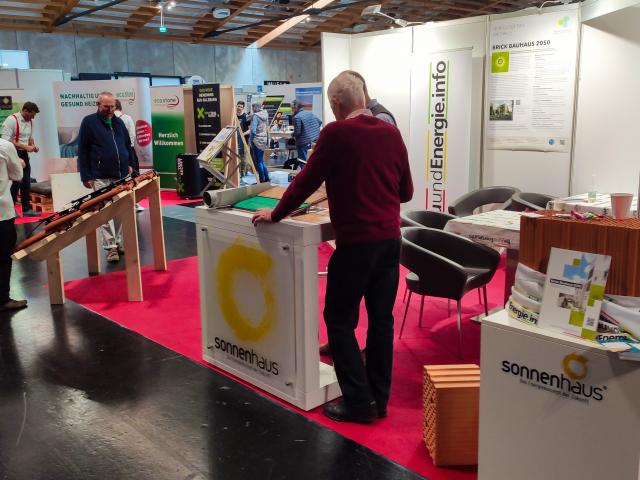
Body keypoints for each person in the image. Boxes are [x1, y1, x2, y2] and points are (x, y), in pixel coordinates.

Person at [252, 71, 413, 424]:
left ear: (337, 103)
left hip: (356, 244)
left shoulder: (336, 133)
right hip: (390, 241)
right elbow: (406, 192)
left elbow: (305, 182)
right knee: (381, 322)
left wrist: (275, 214)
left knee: (339, 320)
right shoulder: (391, 133)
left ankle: (358, 402)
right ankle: (379, 400)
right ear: (363, 97)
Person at [77, 92, 134, 264]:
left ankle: (118, 242)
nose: (109, 110)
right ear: (98, 104)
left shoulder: (119, 123)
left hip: (121, 175)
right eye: (106, 107)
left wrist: (130, 164)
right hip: (100, 176)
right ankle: (110, 248)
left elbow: (127, 146)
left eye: (112, 107)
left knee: (120, 211)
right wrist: (85, 175)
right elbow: (82, 150)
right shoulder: (89, 122)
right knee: (105, 213)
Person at [0, 138, 27, 312]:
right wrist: (20, 163)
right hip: (2, 213)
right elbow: (17, 175)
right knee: (3, 257)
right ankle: (2, 299)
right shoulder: (4, 146)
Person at [1, 101, 40, 217]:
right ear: (25, 111)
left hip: (24, 155)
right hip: (13, 153)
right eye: (32, 115)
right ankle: (11, 210)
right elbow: (5, 141)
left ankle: (26, 209)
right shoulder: (12, 120)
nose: (33, 118)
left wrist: (33, 146)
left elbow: (29, 138)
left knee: (26, 182)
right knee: (15, 182)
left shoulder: (31, 122)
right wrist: (25, 147)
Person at [114, 99, 144, 212]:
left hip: (115, 152)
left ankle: (122, 204)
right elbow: (132, 136)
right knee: (133, 176)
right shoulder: (127, 118)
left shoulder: (107, 120)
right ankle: (135, 203)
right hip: (128, 151)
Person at [286, 99, 321, 170]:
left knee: (303, 162)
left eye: (292, 107)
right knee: (313, 161)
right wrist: (310, 131)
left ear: (296, 107)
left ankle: (306, 176)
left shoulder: (296, 117)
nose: (291, 109)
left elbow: (297, 132)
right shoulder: (310, 113)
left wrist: (292, 134)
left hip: (303, 142)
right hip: (314, 141)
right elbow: (319, 122)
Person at [249, 102, 270, 183]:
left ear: (255, 107)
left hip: (257, 140)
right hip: (264, 139)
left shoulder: (256, 116)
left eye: (253, 107)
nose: (252, 109)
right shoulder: (265, 114)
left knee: (258, 161)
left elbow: (253, 130)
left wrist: (250, 140)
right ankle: (266, 178)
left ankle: (261, 179)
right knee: (261, 160)